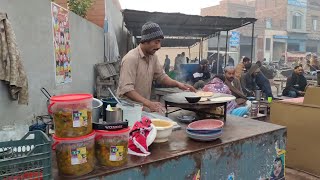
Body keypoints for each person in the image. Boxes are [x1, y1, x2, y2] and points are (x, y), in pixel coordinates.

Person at [117, 22, 195, 113]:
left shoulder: (153, 57)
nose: (159, 46)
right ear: (146, 40)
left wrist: (179, 84)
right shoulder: (131, 58)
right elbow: (127, 89)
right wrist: (149, 103)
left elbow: (161, 76)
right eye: (156, 42)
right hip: (127, 110)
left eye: (160, 42)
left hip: (142, 108)